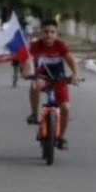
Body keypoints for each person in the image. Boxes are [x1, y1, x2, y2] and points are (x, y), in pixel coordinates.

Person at [24, 19, 80, 149]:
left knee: (65, 108)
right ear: (40, 33)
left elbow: (71, 60)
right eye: (45, 32)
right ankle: (34, 114)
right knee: (35, 84)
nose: (49, 35)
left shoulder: (60, 45)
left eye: (52, 32)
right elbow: (28, 60)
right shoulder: (35, 46)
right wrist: (27, 72)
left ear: (56, 33)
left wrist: (75, 75)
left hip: (59, 78)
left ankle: (60, 137)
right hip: (42, 76)